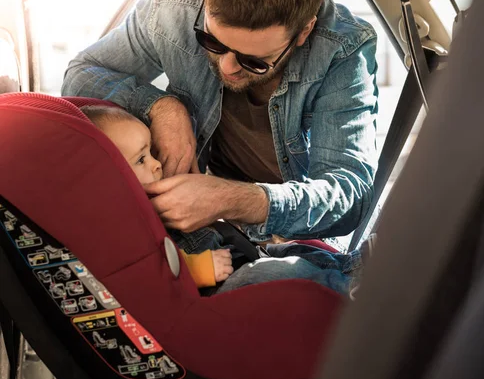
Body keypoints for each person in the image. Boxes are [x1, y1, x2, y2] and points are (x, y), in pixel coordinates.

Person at [62, 0, 379, 243]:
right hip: (203, 227)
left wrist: (232, 202)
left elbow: (350, 196)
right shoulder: (173, 8)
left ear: (304, 30)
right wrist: (162, 107)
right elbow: (80, 76)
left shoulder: (343, 50)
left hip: (299, 237)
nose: (227, 67)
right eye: (212, 41)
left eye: (255, 61)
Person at [80, 105, 361, 295]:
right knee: (274, 273)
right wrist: (198, 270)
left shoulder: (150, 206)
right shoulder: (120, 231)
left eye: (152, 152)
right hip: (218, 292)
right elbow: (143, 278)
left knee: (294, 253)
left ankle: (353, 268)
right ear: (108, 182)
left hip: (238, 256)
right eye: (141, 159)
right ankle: (346, 290)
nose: (157, 164)